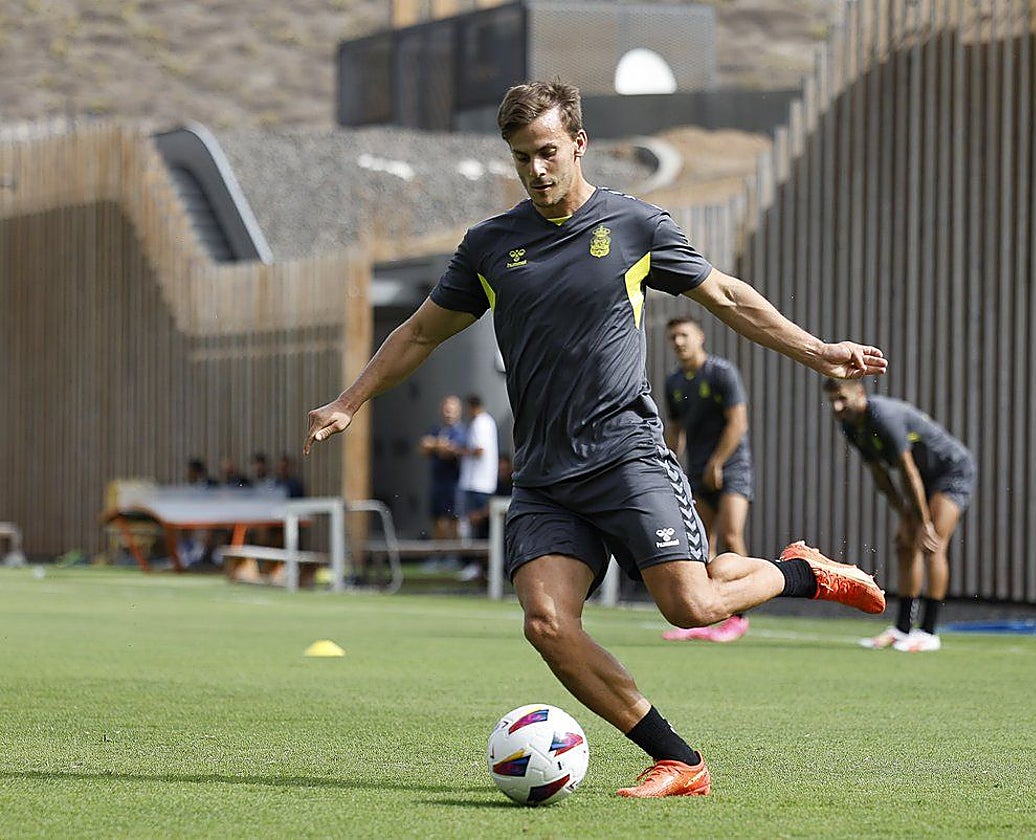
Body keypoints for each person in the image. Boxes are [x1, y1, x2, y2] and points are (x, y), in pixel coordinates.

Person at [305, 81, 888, 798]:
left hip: (626, 455)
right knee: (547, 624)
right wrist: (349, 401)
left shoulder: (636, 226)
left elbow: (728, 297)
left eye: (548, 151)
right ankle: (679, 760)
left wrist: (817, 350)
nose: (537, 170)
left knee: (692, 606)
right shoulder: (490, 247)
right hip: (548, 476)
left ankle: (802, 571)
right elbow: (421, 330)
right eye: (522, 158)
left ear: (578, 143)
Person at [821, 379, 976, 653]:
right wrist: (905, 513)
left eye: (842, 398)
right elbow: (880, 476)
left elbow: (908, 471)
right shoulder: (849, 426)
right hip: (922, 480)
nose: (837, 406)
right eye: (832, 400)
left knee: (932, 543)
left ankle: (928, 632)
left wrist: (924, 522)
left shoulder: (883, 417)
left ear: (860, 393)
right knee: (904, 545)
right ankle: (902, 628)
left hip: (951, 472)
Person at [660, 316, 755, 643]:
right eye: (673, 337)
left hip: (732, 468)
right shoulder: (674, 382)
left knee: (731, 536)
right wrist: (667, 466)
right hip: (698, 471)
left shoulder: (721, 373)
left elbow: (738, 423)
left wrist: (718, 462)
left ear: (700, 337)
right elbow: (675, 429)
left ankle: (739, 616)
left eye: (684, 335)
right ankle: (707, 614)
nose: (679, 341)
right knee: (701, 545)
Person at [457, 394, 500, 582]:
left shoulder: (481, 423)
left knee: (478, 528)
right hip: (479, 483)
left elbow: (479, 450)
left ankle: (479, 568)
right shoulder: (484, 422)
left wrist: (455, 450)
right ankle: (480, 568)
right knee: (476, 528)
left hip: (479, 484)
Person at [420, 395, 468, 561]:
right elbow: (424, 447)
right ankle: (438, 557)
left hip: (454, 483)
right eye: (446, 409)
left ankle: (454, 558)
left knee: (454, 519)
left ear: (459, 411)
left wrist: (438, 446)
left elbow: (450, 451)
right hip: (437, 482)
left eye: (452, 410)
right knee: (437, 519)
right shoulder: (436, 429)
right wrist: (438, 445)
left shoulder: (461, 431)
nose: (448, 413)